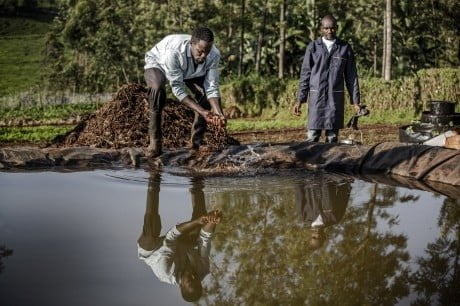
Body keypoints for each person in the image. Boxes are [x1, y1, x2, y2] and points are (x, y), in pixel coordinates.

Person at [137, 174, 222, 302]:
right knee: (201, 224)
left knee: (151, 234)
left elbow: (170, 238)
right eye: (197, 279)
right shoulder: (203, 269)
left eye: (189, 280)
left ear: (181, 285)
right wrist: (213, 220)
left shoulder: (165, 271)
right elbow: (204, 239)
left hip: (153, 250)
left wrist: (196, 222)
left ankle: (153, 181)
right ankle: (196, 180)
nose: (193, 275)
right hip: (182, 246)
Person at [144, 27, 226, 157]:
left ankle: (196, 144)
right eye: (200, 51)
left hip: (191, 70)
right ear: (191, 44)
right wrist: (202, 111)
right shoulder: (173, 53)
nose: (204, 56)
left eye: (207, 52)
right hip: (158, 63)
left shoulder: (214, 54)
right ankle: (155, 142)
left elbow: (211, 86)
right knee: (157, 90)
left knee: (205, 95)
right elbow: (177, 88)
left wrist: (218, 112)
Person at [293, 15, 361, 143]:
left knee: (332, 137)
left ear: (337, 28)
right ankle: (311, 162)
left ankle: (330, 163)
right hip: (316, 97)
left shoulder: (344, 48)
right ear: (321, 29)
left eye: (333, 28)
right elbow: (305, 74)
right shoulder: (313, 47)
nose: (330, 31)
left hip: (334, 98)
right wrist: (300, 100)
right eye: (326, 28)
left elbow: (352, 76)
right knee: (312, 136)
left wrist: (356, 101)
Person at [295, 175, 351, 250]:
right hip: (328, 174)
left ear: (310, 235)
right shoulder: (334, 218)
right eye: (319, 238)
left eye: (314, 237)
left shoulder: (303, 216)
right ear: (324, 236)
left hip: (308, 176)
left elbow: (299, 192)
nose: (317, 235)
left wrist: (299, 176)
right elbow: (344, 193)